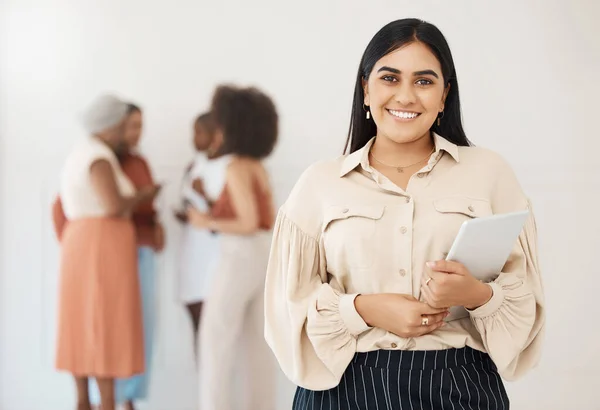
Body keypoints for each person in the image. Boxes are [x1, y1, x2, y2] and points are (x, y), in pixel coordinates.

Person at [264, 18, 545, 410]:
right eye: (390, 78)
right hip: (343, 389)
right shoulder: (320, 183)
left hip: (459, 387)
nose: (406, 96)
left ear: (445, 94)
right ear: (366, 88)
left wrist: (476, 295)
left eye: (425, 81)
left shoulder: (489, 174)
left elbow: (527, 302)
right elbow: (285, 311)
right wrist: (364, 308)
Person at [52, 103, 164, 410]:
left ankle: (87, 402)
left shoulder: (82, 153)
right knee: (102, 323)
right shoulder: (98, 157)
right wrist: (143, 196)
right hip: (100, 248)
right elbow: (114, 205)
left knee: (85, 321)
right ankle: (106, 404)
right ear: (109, 126)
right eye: (121, 126)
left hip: (87, 245)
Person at [187, 85, 278, 410]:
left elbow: (248, 221)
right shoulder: (256, 165)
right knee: (257, 345)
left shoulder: (236, 166)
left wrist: (205, 221)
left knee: (214, 340)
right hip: (263, 256)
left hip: (239, 255)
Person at [174, 112, 219, 352]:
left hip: (213, 255)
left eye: (199, 132)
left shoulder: (226, 168)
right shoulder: (194, 165)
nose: (194, 138)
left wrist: (204, 197)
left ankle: (216, 383)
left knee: (211, 326)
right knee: (196, 322)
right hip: (192, 251)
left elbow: (231, 218)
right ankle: (205, 380)